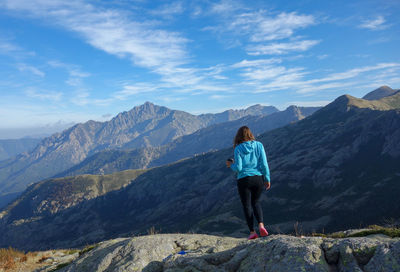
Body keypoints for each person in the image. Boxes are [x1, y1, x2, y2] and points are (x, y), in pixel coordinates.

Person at [226, 126, 271, 240]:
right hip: (258, 178)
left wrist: (230, 165)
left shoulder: (238, 148)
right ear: (250, 134)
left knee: (247, 205)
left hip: (244, 179)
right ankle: (261, 225)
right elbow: (264, 164)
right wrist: (267, 178)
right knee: (256, 202)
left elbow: (239, 168)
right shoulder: (259, 145)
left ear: (238, 136)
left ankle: (252, 232)